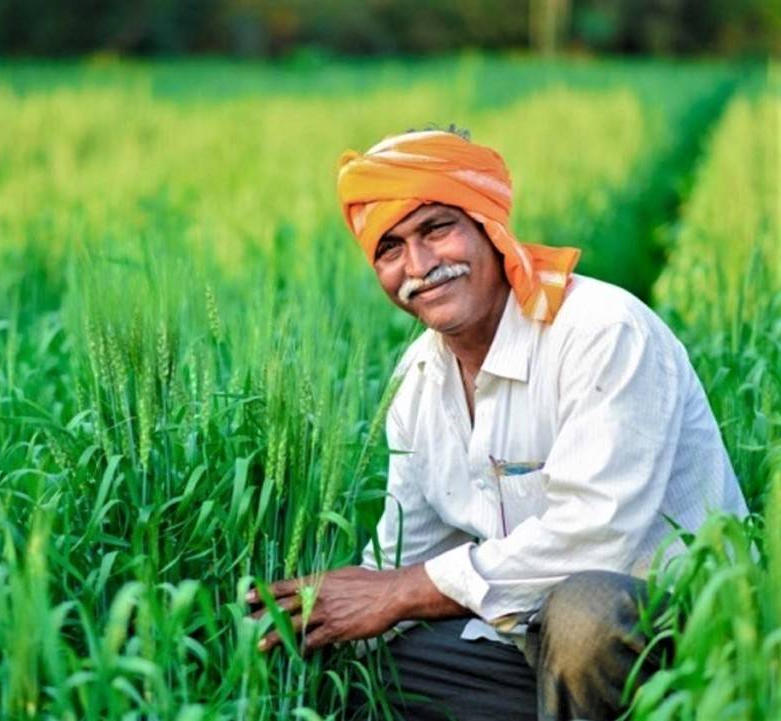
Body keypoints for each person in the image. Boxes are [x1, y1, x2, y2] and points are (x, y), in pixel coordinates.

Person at [246, 128, 749, 721]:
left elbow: (597, 540)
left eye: (437, 228)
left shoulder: (600, 331)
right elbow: (408, 548)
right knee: (351, 668)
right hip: (526, 647)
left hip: (677, 645)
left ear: (490, 225)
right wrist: (318, 612)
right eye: (390, 248)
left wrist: (400, 592)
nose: (420, 265)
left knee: (583, 612)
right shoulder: (418, 380)